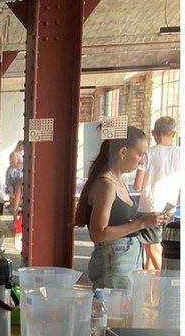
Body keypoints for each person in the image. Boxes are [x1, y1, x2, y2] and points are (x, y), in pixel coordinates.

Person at [76, 127, 168, 289]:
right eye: (140, 154)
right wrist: (141, 223)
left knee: (126, 310)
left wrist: (149, 220)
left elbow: (118, 220)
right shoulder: (106, 185)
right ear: (123, 152)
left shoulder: (119, 182)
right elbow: (98, 233)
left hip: (126, 256)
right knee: (117, 310)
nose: (142, 161)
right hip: (114, 259)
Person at [134, 117, 181, 269]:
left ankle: (165, 282)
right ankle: (152, 291)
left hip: (150, 206)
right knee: (159, 247)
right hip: (170, 206)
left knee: (152, 248)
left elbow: (137, 185)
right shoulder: (180, 153)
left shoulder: (148, 154)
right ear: (173, 134)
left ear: (153, 133)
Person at [5, 140, 24, 217]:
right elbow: (14, 164)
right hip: (13, 175)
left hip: (19, 174)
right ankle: (14, 208)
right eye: (21, 145)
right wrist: (24, 165)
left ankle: (15, 208)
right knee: (13, 191)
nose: (22, 147)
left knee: (18, 192)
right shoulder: (14, 153)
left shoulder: (21, 153)